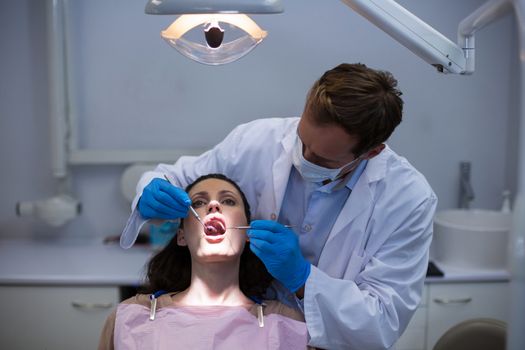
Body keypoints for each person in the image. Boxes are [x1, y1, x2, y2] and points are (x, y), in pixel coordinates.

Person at [120, 63, 438, 349]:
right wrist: (150, 189)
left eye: (322, 159)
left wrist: (302, 279)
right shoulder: (257, 141)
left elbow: (381, 323)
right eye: (302, 141)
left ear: (371, 153)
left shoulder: (408, 199)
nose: (303, 158)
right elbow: (177, 177)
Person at [101, 174, 310, 349]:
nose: (213, 205)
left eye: (228, 201)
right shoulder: (130, 318)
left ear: (248, 233)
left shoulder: (286, 323)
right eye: (199, 203)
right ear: (181, 236)